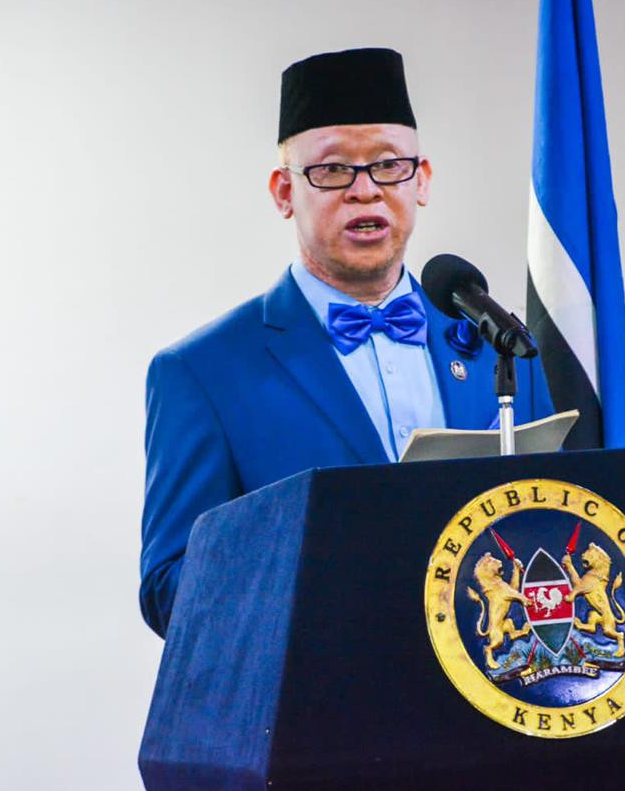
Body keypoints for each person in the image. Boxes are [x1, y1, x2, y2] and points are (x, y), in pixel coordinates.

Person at [139, 48, 554, 637]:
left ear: (422, 180)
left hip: (490, 671)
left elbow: (555, 524)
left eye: (389, 165)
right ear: (284, 192)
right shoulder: (202, 373)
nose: (365, 191)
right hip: (320, 686)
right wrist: (326, 562)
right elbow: (169, 592)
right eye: (333, 170)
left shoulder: (503, 347)